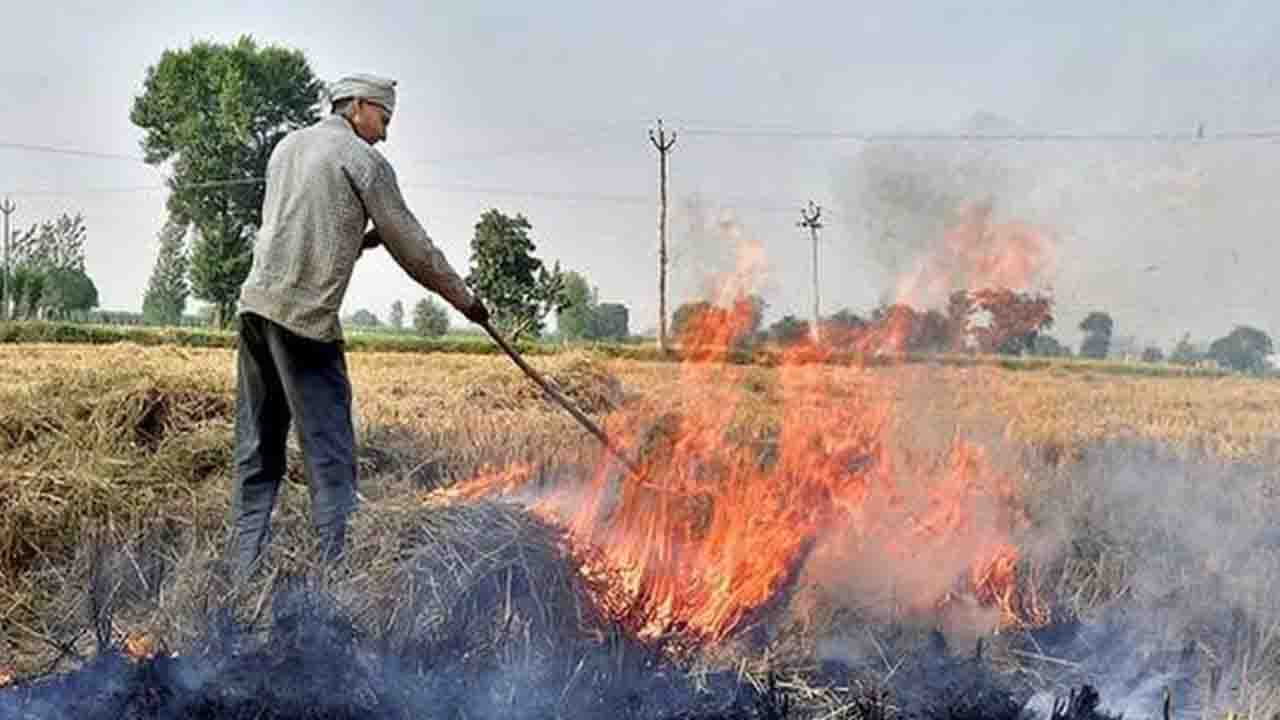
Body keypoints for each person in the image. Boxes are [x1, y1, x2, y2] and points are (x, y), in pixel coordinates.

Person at [230, 73, 489, 578]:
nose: (386, 133)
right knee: (330, 456)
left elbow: (296, 220)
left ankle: (239, 578)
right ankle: (339, 581)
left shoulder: (288, 147)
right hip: (305, 321)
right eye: (384, 119)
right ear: (358, 106)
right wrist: (467, 302)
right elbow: (415, 248)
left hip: (255, 310)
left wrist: (360, 238)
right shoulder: (364, 161)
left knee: (256, 453)